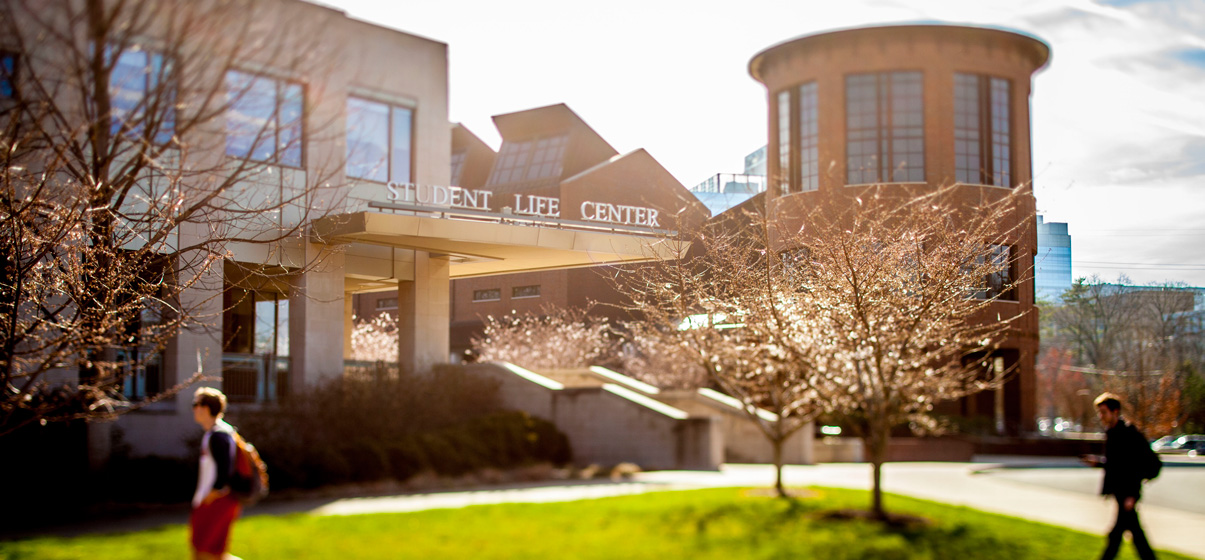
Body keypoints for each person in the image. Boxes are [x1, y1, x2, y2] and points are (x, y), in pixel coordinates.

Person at [1080, 392, 1157, 560]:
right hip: (1119, 492)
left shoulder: (1129, 434)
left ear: (1115, 412)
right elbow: (1118, 464)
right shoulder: (1112, 433)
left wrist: (1133, 494)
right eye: (1099, 413)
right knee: (1132, 534)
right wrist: (1099, 463)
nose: (1101, 416)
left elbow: (1139, 466)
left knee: (1118, 536)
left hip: (1127, 494)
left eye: (1104, 412)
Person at [190, 387, 243, 560]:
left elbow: (225, 469)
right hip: (214, 500)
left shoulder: (218, 435)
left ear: (205, 408)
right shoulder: (218, 432)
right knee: (210, 553)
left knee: (205, 553)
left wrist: (212, 494)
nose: (193, 409)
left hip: (216, 501)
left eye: (195, 404)